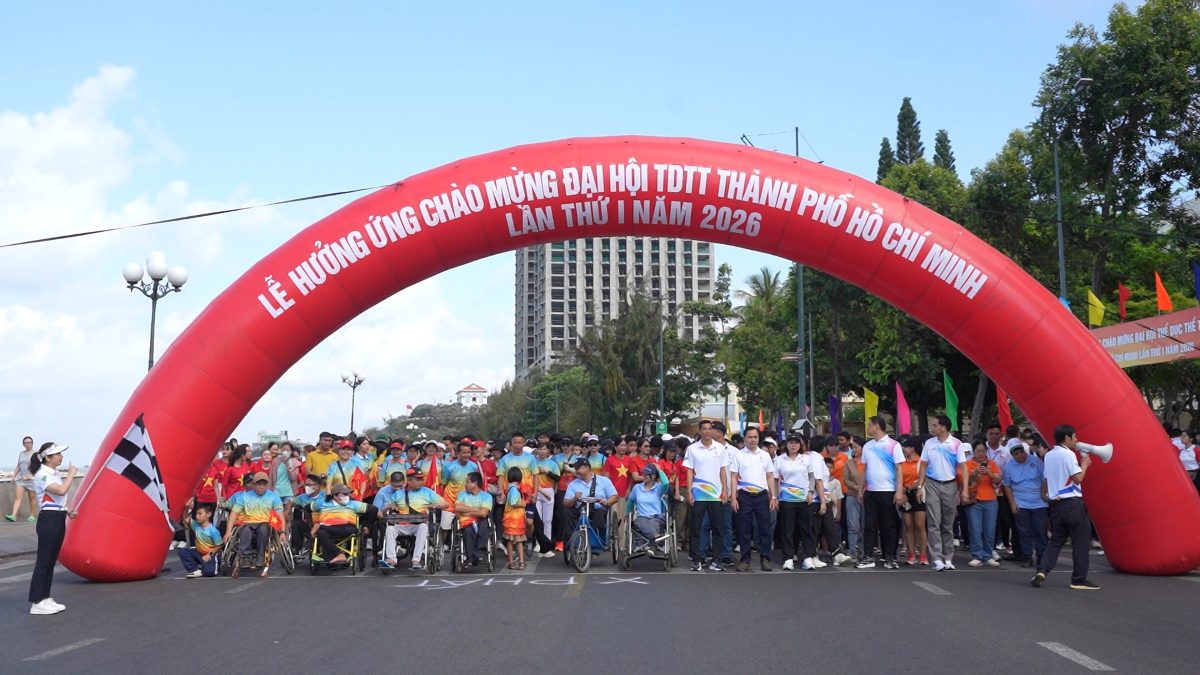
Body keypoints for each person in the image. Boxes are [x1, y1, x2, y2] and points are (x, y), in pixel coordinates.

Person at [1031, 424, 1099, 590]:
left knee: (1055, 541)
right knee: (1081, 543)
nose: (1076, 440)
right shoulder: (1068, 454)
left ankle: (1042, 570)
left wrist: (1047, 494)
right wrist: (1085, 464)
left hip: (1056, 504)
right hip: (1073, 503)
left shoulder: (1049, 455)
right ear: (1067, 438)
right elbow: (1077, 478)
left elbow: (1046, 480)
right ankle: (1079, 579)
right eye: (1074, 437)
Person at [27, 443, 74, 615]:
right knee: (44, 561)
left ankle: (45, 597)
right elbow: (60, 491)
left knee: (51, 561)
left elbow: (54, 499)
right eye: (58, 454)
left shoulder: (52, 473)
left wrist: (67, 510)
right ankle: (37, 601)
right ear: (48, 457)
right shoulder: (42, 474)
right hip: (49, 520)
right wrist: (71, 475)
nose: (61, 456)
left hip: (57, 516)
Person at [917, 415, 968, 571]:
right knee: (933, 522)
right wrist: (920, 486)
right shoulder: (929, 443)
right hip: (932, 483)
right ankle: (937, 558)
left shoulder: (956, 444)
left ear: (944, 427)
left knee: (947, 523)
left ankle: (948, 558)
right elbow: (924, 465)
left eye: (935, 425)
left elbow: (963, 467)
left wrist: (964, 488)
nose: (932, 428)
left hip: (950, 485)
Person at [856, 417, 905, 569]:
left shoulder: (893, 445)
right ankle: (868, 556)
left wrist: (899, 491)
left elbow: (899, 469)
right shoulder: (868, 446)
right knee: (869, 525)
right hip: (871, 491)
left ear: (877, 426)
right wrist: (860, 489)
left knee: (888, 525)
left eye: (869, 425)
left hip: (888, 491)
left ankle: (890, 556)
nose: (868, 428)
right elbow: (864, 469)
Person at [730, 426, 777, 571]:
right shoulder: (738, 455)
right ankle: (745, 560)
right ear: (744, 438)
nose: (752, 440)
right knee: (744, 530)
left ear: (759, 439)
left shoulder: (764, 455)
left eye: (755, 437)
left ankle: (766, 559)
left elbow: (770, 476)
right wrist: (733, 498)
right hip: (744, 496)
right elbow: (733, 477)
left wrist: (773, 496)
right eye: (749, 437)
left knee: (764, 529)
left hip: (762, 496)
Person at [685, 420, 730, 572]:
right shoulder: (692, 449)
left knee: (718, 527)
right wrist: (690, 490)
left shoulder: (720, 448)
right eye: (703, 429)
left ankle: (717, 559)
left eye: (709, 429)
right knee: (696, 527)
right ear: (699, 431)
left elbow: (723, 470)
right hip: (698, 493)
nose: (706, 432)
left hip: (716, 494)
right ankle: (697, 559)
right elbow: (689, 471)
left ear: (712, 430)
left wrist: (725, 489)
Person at [379, 468, 446, 570]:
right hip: (401, 525)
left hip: (418, 525)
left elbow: (446, 504)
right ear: (409, 480)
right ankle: (391, 560)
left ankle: (416, 560)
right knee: (390, 529)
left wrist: (436, 505)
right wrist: (388, 508)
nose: (421, 481)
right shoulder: (398, 494)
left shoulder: (427, 492)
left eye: (421, 479)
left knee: (423, 527)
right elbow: (385, 513)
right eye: (417, 479)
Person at [775, 434, 819, 570]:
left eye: (796, 443)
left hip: (803, 499)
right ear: (786, 445)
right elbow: (776, 479)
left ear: (800, 445)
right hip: (786, 499)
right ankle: (788, 557)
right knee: (788, 530)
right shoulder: (780, 459)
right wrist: (775, 497)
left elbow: (812, 477)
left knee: (806, 529)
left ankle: (807, 557)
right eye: (791, 443)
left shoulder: (805, 459)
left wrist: (811, 492)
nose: (793, 445)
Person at [1002, 443, 1047, 567]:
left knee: (1040, 531)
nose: (1020, 455)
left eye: (1021, 452)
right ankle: (1027, 557)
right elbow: (1007, 486)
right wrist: (1012, 503)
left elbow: (1045, 478)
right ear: (1012, 456)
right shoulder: (1008, 467)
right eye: (1016, 454)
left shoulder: (1036, 461)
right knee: (1024, 532)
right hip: (1021, 502)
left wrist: (1044, 494)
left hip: (1039, 503)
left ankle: (1042, 557)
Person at [229, 472, 284, 568]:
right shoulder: (244, 496)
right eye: (259, 484)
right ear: (253, 485)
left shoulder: (274, 497)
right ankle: (245, 558)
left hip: (265, 523)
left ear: (267, 485)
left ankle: (260, 558)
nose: (261, 487)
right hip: (248, 523)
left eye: (264, 484)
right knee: (245, 530)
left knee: (263, 529)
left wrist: (282, 532)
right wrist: (228, 532)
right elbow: (234, 513)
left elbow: (280, 515)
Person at [563, 458, 619, 547]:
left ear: (586, 468)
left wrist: (606, 502)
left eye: (578, 468)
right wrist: (574, 498)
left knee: (600, 513)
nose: (576, 471)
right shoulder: (573, 484)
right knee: (567, 512)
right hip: (580, 510)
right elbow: (566, 503)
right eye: (575, 469)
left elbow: (614, 497)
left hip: (597, 509)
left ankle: (597, 540)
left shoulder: (603, 481)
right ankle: (571, 540)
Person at [312, 484, 371, 565]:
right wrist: (310, 524)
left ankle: (320, 528)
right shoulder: (322, 503)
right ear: (335, 496)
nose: (348, 496)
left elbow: (373, 510)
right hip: (328, 530)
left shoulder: (354, 504)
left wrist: (367, 525)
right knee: (321, 533)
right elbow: (306, 509)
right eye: (345, 494)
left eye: (349, 493)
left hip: (347, 528)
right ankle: (339, 555)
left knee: (320, 528)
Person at [965, 443, 1001, 567]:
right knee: (975, 529)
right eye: (978, 451)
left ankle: (988, 555)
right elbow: (964, 482)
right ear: (973, 452)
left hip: (990, 499)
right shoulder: (968, 464)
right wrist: (974, 473)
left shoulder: (992, 464)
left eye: (983, 451)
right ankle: (977, 555)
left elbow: (998, 480)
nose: (981, 454)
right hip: (974, 500)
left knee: (990, 530)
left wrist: (989, 473)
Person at [454, 472, 494, 568]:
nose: (465, 484)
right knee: (468, 531)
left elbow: (483, 513)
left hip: (481, 520)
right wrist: (476, 510)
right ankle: (473, 556)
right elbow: (458, 508)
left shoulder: (487, 496)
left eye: (467, 482)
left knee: (484, 527)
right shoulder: (462, 494)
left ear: (475, 483)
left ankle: (477, 554)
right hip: (467, 521)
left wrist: (466, 511)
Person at [899, 436, 928, 565]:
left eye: (907, 447)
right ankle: (911, 554)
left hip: (918, 495)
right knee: (908, 525)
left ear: (914, 448)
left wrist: (913, 487)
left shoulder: (921, 461)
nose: (904, 449)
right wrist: (902, 491)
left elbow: (924, 478)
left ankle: (923, 555)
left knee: (920, 525)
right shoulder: (901, 462)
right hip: (905, 495)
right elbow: (898, 479)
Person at [178, 504, 222, 578]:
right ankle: (194, 570)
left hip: (211, 554)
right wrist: (187, 507)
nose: (197, 516)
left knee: (209, 573)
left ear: (208, 514)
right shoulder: (195, 525)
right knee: (182, 551)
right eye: (196, 514)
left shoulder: (213, 531)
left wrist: (210, 554)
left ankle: (210, 565)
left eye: (200, 514)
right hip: (199, 552)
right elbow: (185, 517)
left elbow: (220, 545)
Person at [532, 444, 560, 557]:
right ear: (537, 450)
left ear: (548, 450)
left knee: (547, 521)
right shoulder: (533, 462)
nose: (543, 451)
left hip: (548, 490)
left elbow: (558, 478)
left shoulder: (552, 463)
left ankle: (547, 546)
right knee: (538, 520)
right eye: (540, 449)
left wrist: (546, 471)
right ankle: (539, 544)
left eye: (545, 449)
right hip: (536, 491)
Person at [502, 467, 530, 570]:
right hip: (514, 520)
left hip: (512, 520)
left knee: (512, 541)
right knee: (517, 541)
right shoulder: (514, 489)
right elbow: (514, 503)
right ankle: (520, 562)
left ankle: (512, 561)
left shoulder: (511, 488)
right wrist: (524, 503)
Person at [8, 436, 38, 522]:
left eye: (30, 442)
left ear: (32, 443)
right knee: (18, 497)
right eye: (26, 443)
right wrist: (14, 476)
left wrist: (31, 475)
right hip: (20, 479)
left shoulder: (36, 454)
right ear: (23, 444)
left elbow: (38, 466)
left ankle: (32, 515)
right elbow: (18, 465)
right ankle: (13, 515)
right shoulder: (21, 453)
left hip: (31, 479)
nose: (28, 444)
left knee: (32, 498)